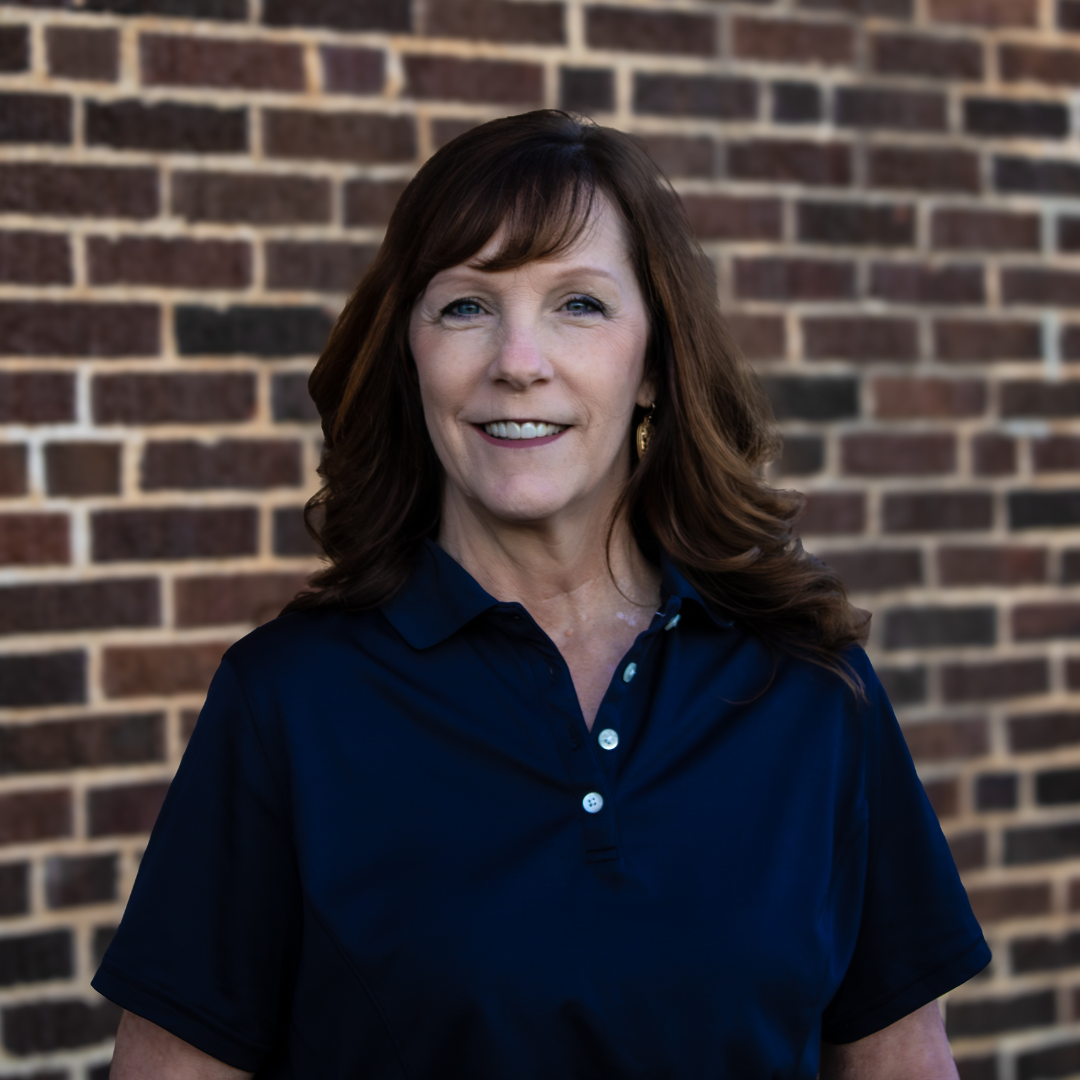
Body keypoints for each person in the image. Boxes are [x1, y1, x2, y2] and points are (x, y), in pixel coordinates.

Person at [97, 110, 989, 1079]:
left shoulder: (813, 691)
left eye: (580, 305)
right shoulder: (289, 703)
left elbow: (905, 1061)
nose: (518, 362)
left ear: (653, 366)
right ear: (410, 355)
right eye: (466, 307)